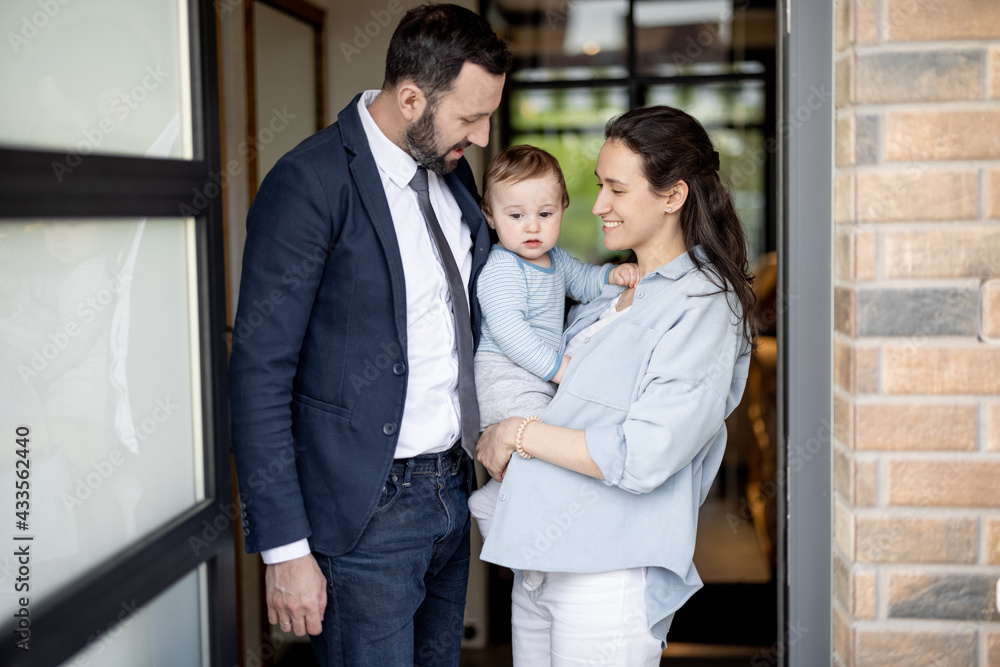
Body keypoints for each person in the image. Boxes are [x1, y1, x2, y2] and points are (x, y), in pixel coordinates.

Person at [228, 5, 511, 666]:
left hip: (450, 489)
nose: (483, 133)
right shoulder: (309, 183)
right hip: (364, 512)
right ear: (411, 98)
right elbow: (259, 373)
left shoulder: (452, 172)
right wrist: (286, 549)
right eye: (470, 116)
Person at [475, 105, 757, 665]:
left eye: (616, 189)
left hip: (606, 574)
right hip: (541, 560)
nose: (599, 204)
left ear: (672, 196)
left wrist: (516, 431)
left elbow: (645, 453)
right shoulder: (612, 292)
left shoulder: (703, 305)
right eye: (600, 185)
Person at [467, 145, 637, 539]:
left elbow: (583, 281)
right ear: (490, 216)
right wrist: (559, 369)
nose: (532, 227)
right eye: (515, 216)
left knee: (547, 447)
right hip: (503, 376)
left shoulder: (554, 259)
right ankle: (500, 507)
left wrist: (613, 276)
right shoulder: (502, 268)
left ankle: (496, 496)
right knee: (549, 441)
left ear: (562, 207)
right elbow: (510, 333)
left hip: (533, 375)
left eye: (545, 214)